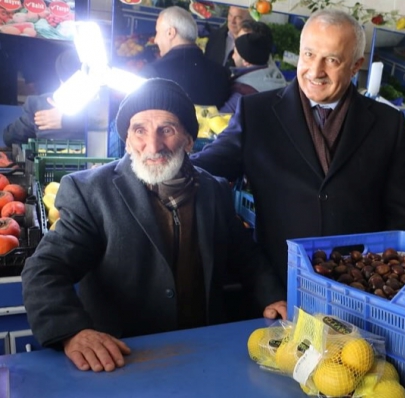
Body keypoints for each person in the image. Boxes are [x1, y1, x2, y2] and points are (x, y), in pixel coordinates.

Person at [21, 78, 287, 373]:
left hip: (203, 352)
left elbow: (246, 256)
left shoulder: (213, 190)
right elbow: (45, 269)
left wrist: (273, 296)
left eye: (167, 130)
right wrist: (72, 332)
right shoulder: (91, 193)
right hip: (125, 360)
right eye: (140, 130)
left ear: (188, 139)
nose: (153, 145)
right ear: (127, 139)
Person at [191, 9, 405, 285]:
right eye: (309, 54)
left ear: (355, 65)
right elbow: (207, 164)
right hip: (280, 283)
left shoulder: (387, 123)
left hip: (359, 287)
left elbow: (402, 214)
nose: (315, 71)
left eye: (331, 59)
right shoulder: (257, 113)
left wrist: (388, 279)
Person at [140, 6, 230, 108]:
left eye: (157, 32)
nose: (155, 40)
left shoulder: (153, 72)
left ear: (170, 33)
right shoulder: (221, 73)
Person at [2, 48, 86, 147]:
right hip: (99, 162)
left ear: (59, 76)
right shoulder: (104, 111)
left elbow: (10, 138)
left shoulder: (37, 105)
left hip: (48, 162)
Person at [220, 23, 287, 114]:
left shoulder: (243, 91)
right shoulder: (269, 68)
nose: (232, 56)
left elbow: (220, 117)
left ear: (246, 61)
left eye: (236, 52)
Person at [204, 6, 252, 71]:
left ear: (249, 21)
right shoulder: (215, 36)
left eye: (238, 18)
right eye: (230, 15)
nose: (232, 21)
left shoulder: (253, 44)